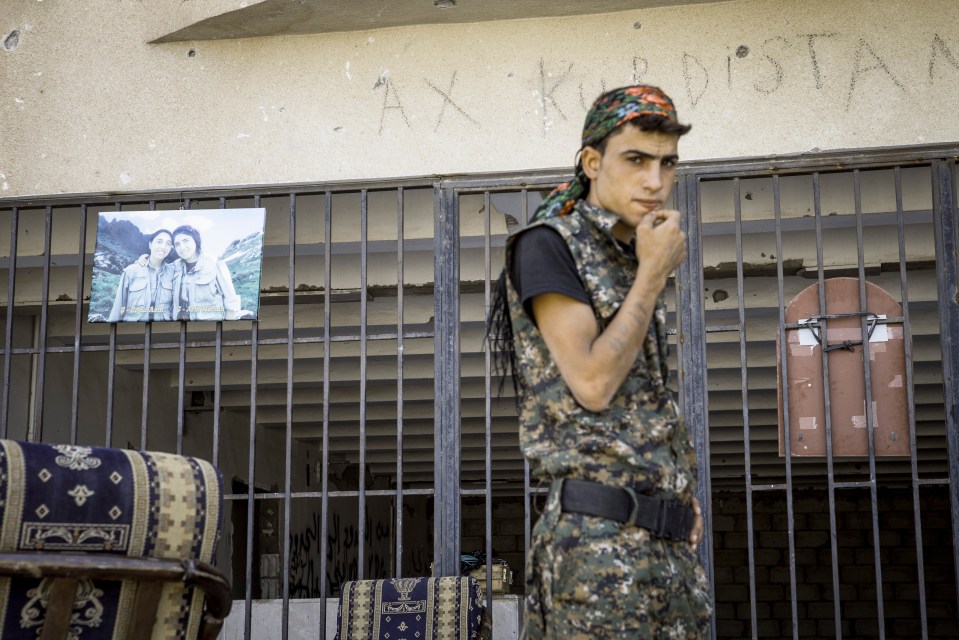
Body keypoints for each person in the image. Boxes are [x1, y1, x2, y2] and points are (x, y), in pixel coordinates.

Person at [487, 85, 712, 639]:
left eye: (667, 164)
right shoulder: (547, 244)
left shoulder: (630, 254)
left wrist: (675, 490)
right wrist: (653, 275)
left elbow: (641, 404)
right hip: (597, 546)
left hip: (665, 545)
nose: (655, 182)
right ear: (592, 162)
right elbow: (592, 383)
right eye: (636, 160)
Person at [169, 224, 243, 321]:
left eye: (186, 241)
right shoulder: (174, 267)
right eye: (177, 244)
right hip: (179, 326)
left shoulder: (215, 264)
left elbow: (231, 302)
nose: (182, 247)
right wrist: (143, 259)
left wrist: (226, 328)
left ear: (195, 240)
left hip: (208, 326)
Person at [108, 229, 176, 322]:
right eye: (159, 242)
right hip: (134, 331)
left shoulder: (174, 273)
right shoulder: (131, 271)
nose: (163, 247)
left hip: (163, 331)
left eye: (168, 243)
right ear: (150, 244)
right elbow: (118, 308)